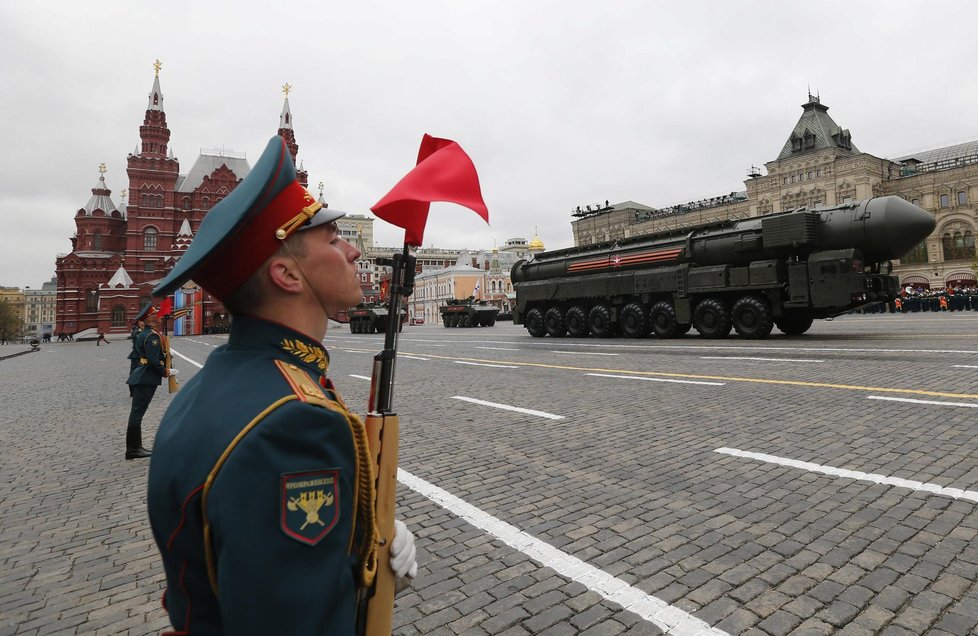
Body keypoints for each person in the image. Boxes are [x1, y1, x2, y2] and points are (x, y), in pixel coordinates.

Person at [146, 136, 417, 634]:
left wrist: (356, 540)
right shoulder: (292, 421)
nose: (354, 249)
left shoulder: (213, 389)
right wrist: (364, 579)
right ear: (287, 273)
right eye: (334, 240)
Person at [124, 304, 167, 460]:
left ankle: (136, 447)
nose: (158, 315)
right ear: (149, 318)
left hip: (141, 374)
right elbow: (153, 361)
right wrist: (166, 372)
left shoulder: (144, 333)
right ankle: (133, 448)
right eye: (155, 314)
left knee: (137, 412)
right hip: (146, 377)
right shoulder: (152, 336)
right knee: (137, 413)